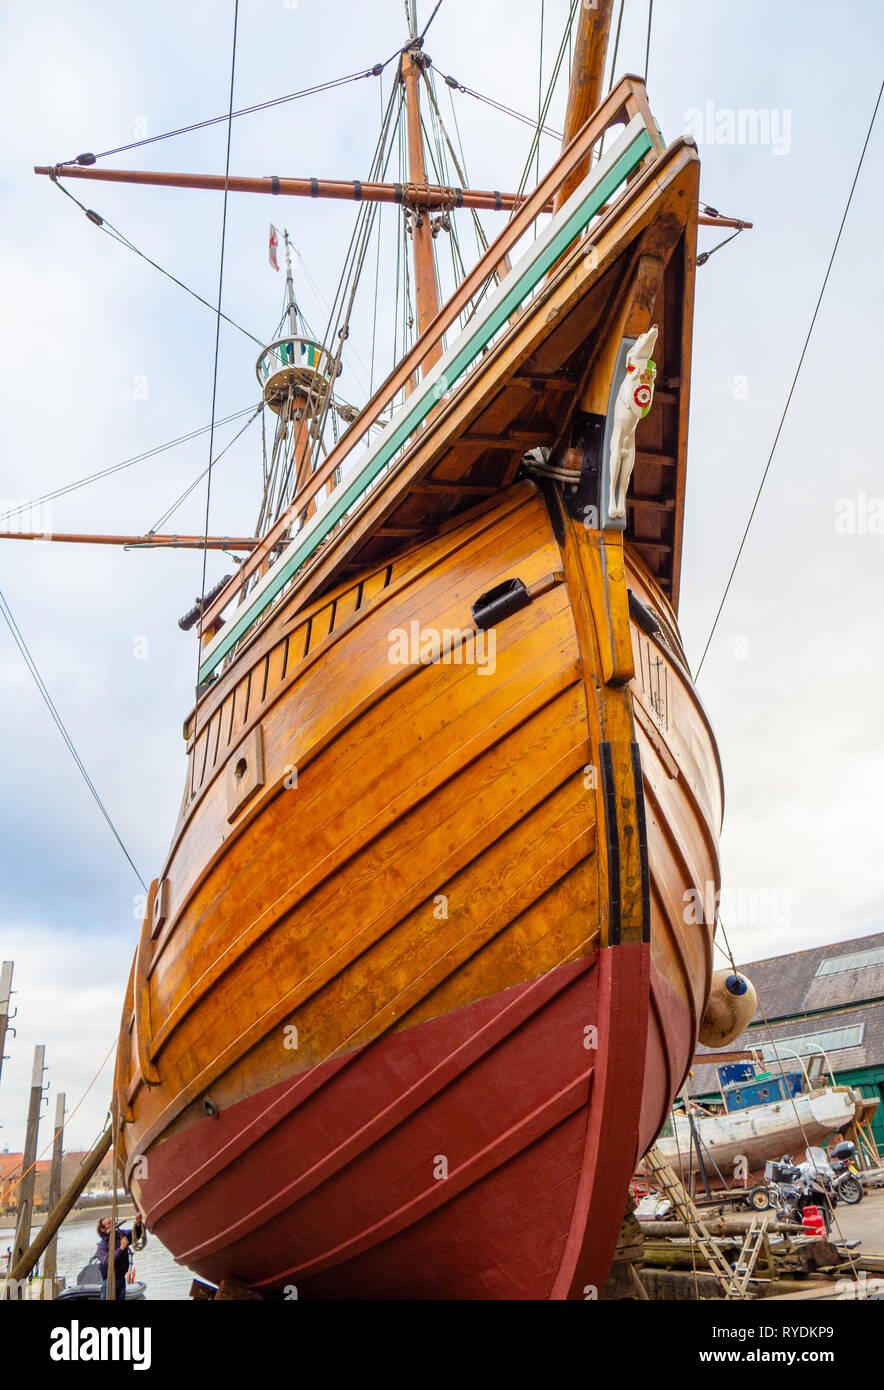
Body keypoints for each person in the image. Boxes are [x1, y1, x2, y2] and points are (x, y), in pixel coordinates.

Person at [96, 1215, 131, 1302]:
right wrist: (121, 1248)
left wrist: (138, 1226)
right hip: (110, 1282)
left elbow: (134, 1234)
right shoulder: (103, 1245)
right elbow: (107, 1261)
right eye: (109, 1223)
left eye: (113, 1221)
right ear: (103, 1229)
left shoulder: (121, 1236)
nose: (113, 1224)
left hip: (121, 1279)